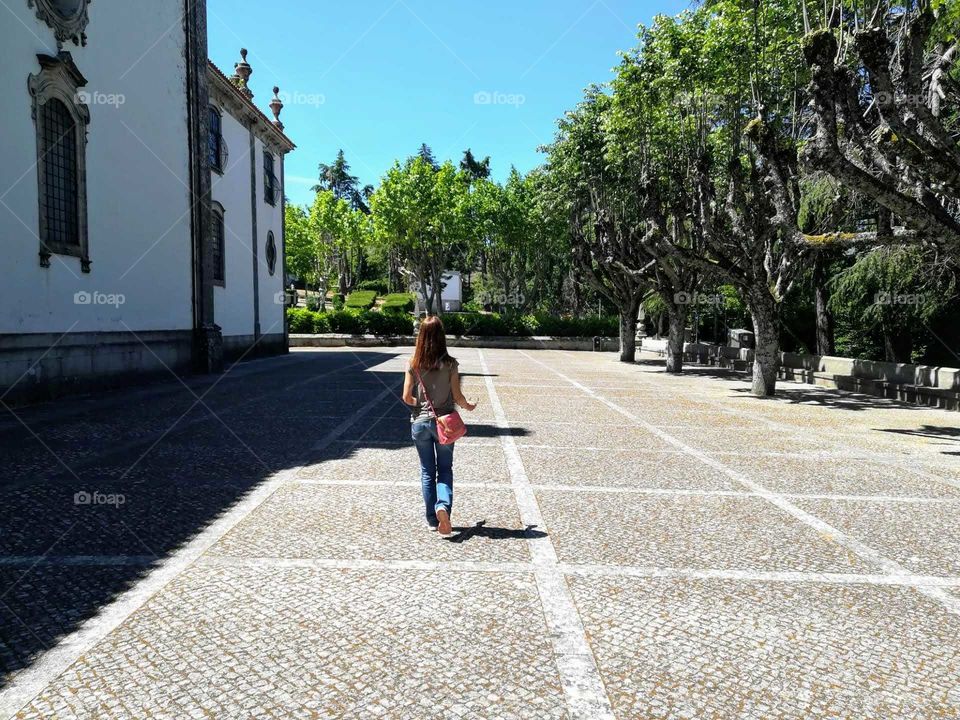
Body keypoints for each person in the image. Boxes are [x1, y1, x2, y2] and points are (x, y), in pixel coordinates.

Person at [402, 316, 477, 537]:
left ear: (421, 337)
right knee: (444, 469)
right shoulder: (451, 364)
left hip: (420, 424)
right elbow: (458, 396)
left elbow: (406, 397)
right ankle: (443, 506)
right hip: (445, 424)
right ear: (441, 337)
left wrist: (422, 405)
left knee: (427, 471)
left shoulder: (413, 363)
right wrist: (469, 406)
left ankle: (432, 520)